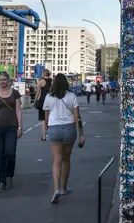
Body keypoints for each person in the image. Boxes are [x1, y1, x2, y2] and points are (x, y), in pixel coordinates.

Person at [43, 73, 85, 204]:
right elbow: (77, 117)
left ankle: (55, 189)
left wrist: (46, 131)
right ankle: (63, 188)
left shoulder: (49, 97)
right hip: (69, 129)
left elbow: (46, 117)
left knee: (56, 161)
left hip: (54, 129)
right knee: (66, 160)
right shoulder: (72, 96)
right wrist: (81, 133)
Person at [35, 70, 52, 141]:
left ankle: (44, 136)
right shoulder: (52, 81)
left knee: (43, 119)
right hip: (51, 101)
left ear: (43, 74)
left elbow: (38, 91)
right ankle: (51, 135)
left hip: (43, 101)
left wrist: (35, 99)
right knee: (51, 118)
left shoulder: (41, 81)